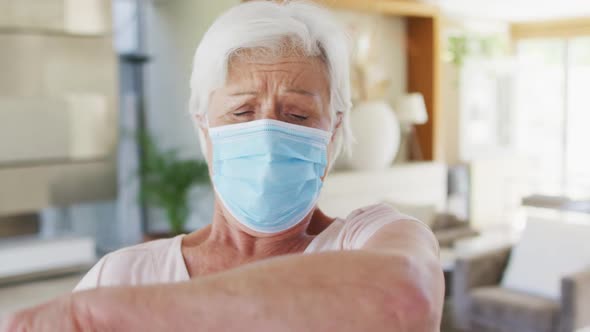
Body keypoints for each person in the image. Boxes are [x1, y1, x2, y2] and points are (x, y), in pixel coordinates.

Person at [1, 1, 444, 331]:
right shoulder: (123, 274)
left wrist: (89, 314)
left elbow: (405, 298)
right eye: (241, 112)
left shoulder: (369, 241)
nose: (269, 137)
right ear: (203, 129)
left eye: (297, 115)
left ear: (333, 131)